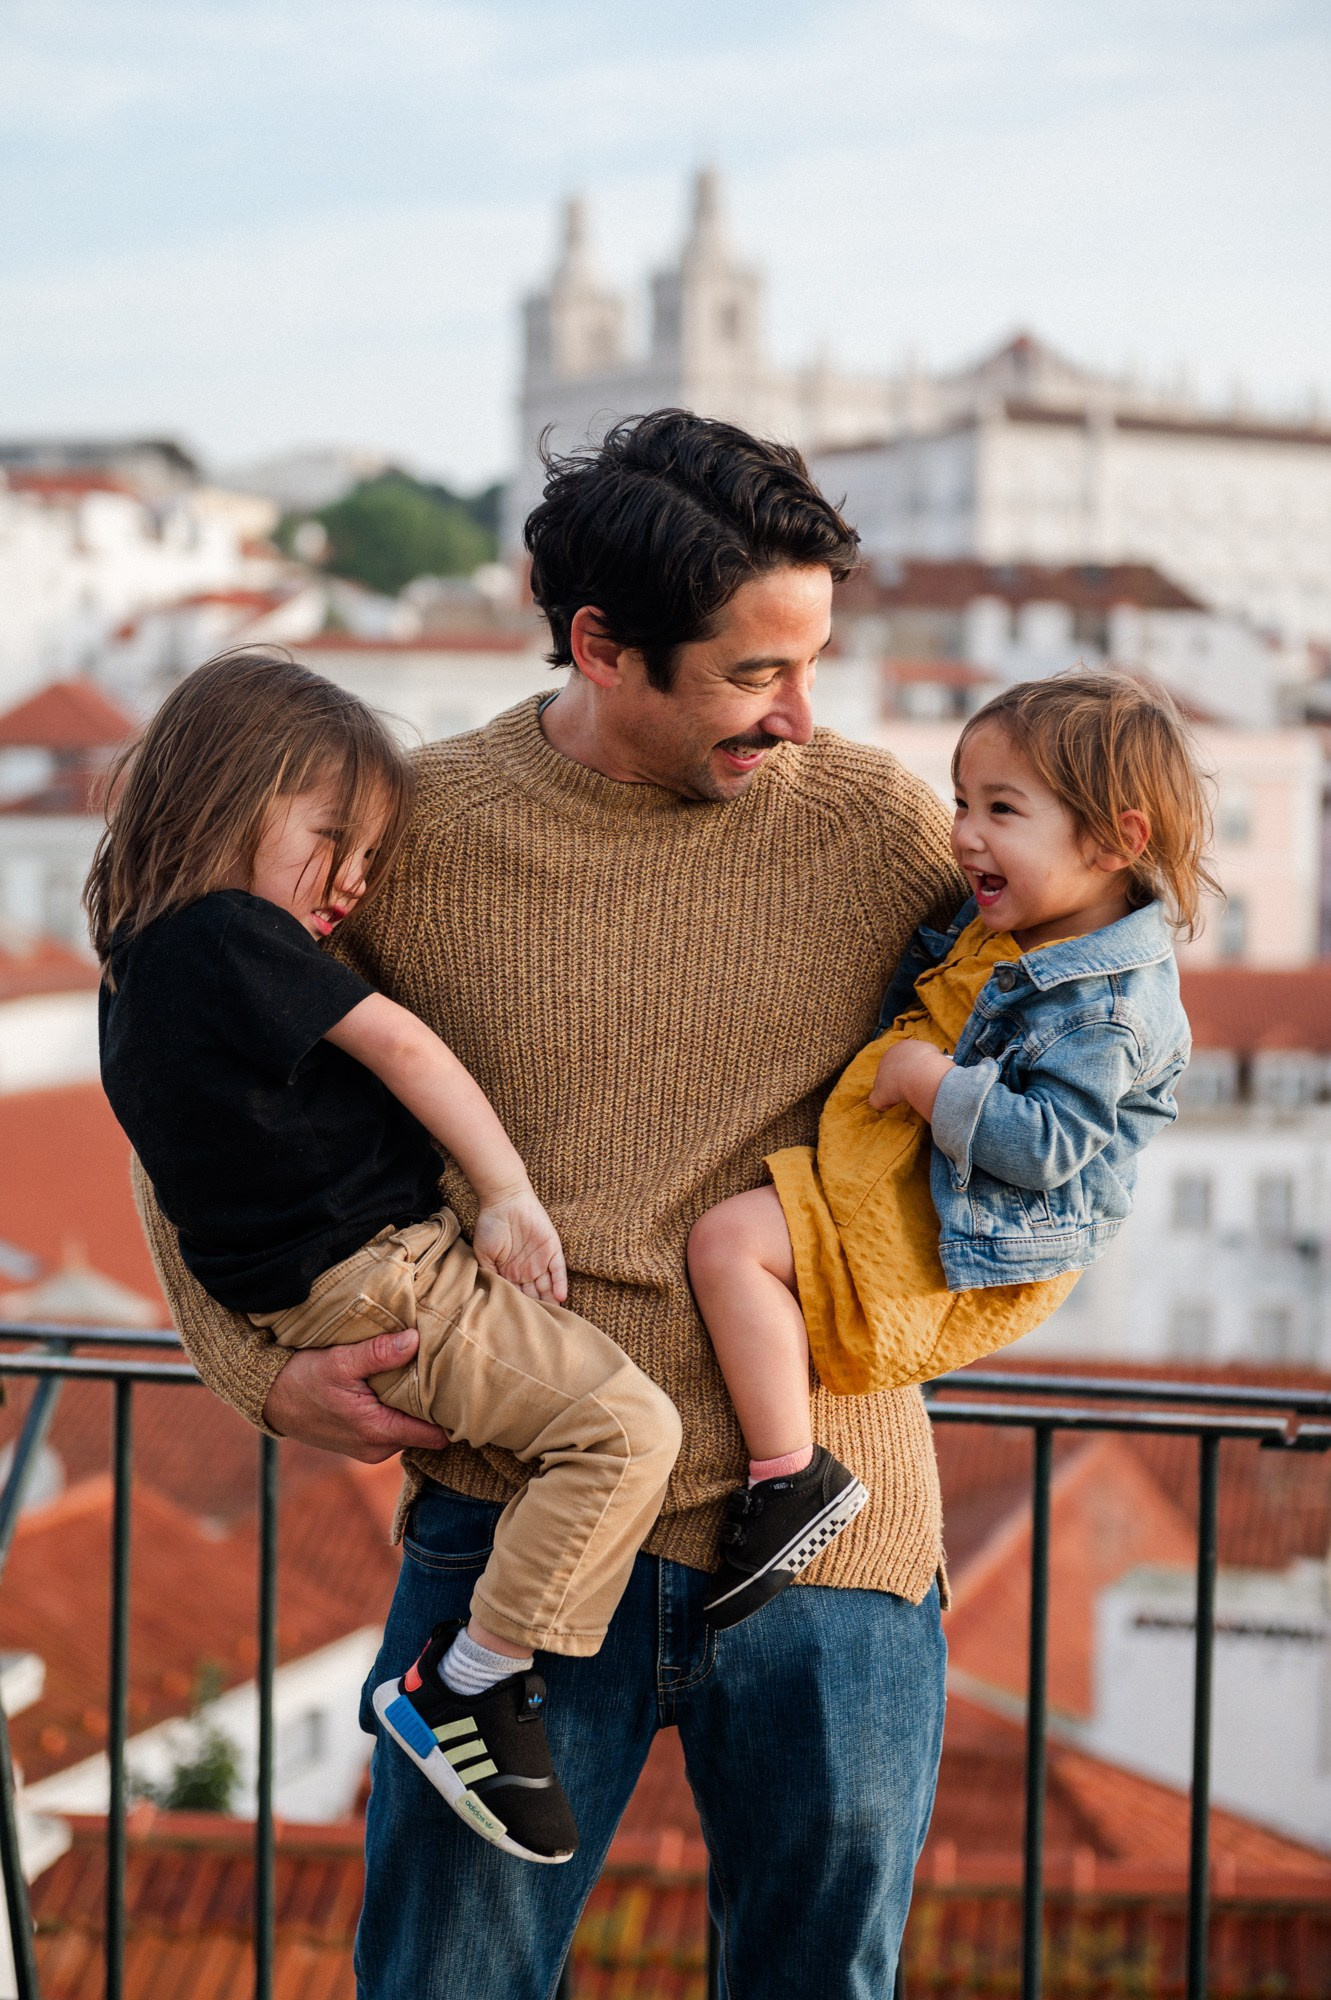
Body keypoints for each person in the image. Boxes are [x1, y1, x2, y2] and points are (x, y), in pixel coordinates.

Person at [134, 410, 965, 2000]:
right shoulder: (416, 832)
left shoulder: (876, 828)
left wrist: (937, 1307)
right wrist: (256, 1372)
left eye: (813, 662)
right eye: (754, 673)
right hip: (504, 1529)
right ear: (599, 644)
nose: (803, 715)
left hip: (832, 1536)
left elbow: (1067, 1079)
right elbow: (189, 1090)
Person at [90, 652, 682, 1864]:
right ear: (224, 798)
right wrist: (506, 1195)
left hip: (324, 1293)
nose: (355, 882)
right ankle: (471, 1681)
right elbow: (403, 1046)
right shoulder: (227, 935)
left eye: (368, 855)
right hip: (387, 1276)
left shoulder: (136, 968)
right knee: (625, 1433)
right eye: (332, 840)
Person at [688, 671, 1206, 1626]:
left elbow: (1046, 1146)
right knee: (736, 1246)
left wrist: (930, 1084)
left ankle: (791, 1479)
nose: (963, 834)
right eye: (962, 801)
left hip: (972, 1224)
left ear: (1113, 842)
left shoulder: (1107, 1006)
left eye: (1000, 810)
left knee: (726, 1245)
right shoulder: (1022, 922)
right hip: (911, 1177)